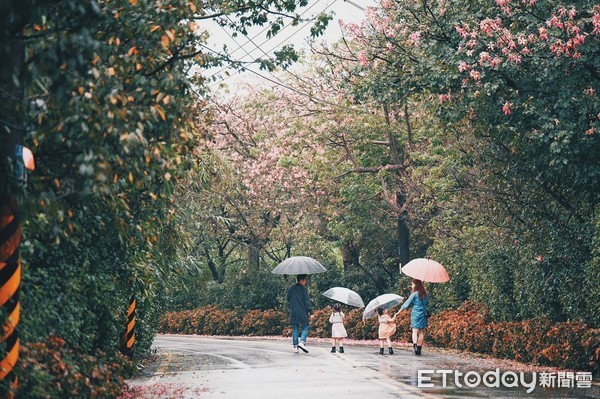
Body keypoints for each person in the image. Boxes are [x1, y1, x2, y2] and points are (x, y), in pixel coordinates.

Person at [397, 278, 429, 355]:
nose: (411, 286)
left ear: (416, 285)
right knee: (421, 332)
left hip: (415, 314)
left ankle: (415, 346)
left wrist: (399, 311)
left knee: (415, 331)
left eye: (412, 284)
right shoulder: (426, 294)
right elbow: (426, 304)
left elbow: (407, 304)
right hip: (423, 314)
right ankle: (419, 348)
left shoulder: (414, 294)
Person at [287, 274, 313, 353]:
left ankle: (295, 346)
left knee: (295, 328)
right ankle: (302, 342)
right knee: (306, 326)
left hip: (293, 312)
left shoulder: (291, 289)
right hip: (302, 312)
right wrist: (310, 312)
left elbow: (288, 299)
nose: (306, 281)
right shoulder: (303, 289)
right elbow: (306, 301)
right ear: (301, 280)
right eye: (305, 280)